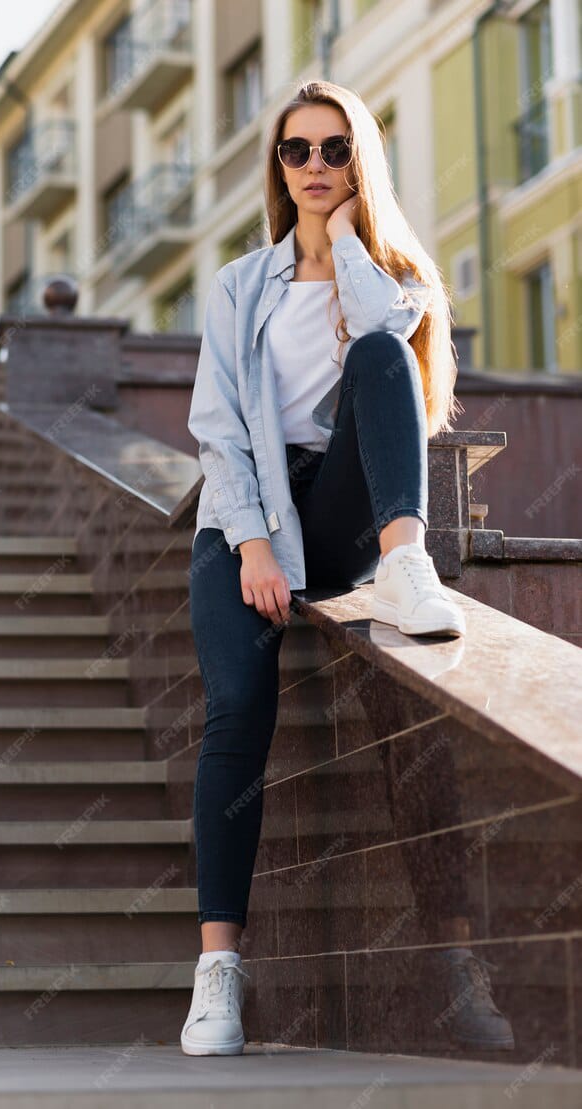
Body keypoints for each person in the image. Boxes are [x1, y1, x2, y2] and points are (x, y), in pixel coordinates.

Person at [180, 79, 467, 1056]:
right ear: (275, 164)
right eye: (295, 151)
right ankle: (219, 968)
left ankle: (403, 558)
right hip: (245, 519)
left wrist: (344, 237)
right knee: (237, 706)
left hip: (346, 511)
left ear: (359, 162)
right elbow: (218, 429)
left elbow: (389, 358)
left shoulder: (390, 276)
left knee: (381, 357)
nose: (311, 166)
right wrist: (255, 540)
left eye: (333, 150)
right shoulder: (237, 285)